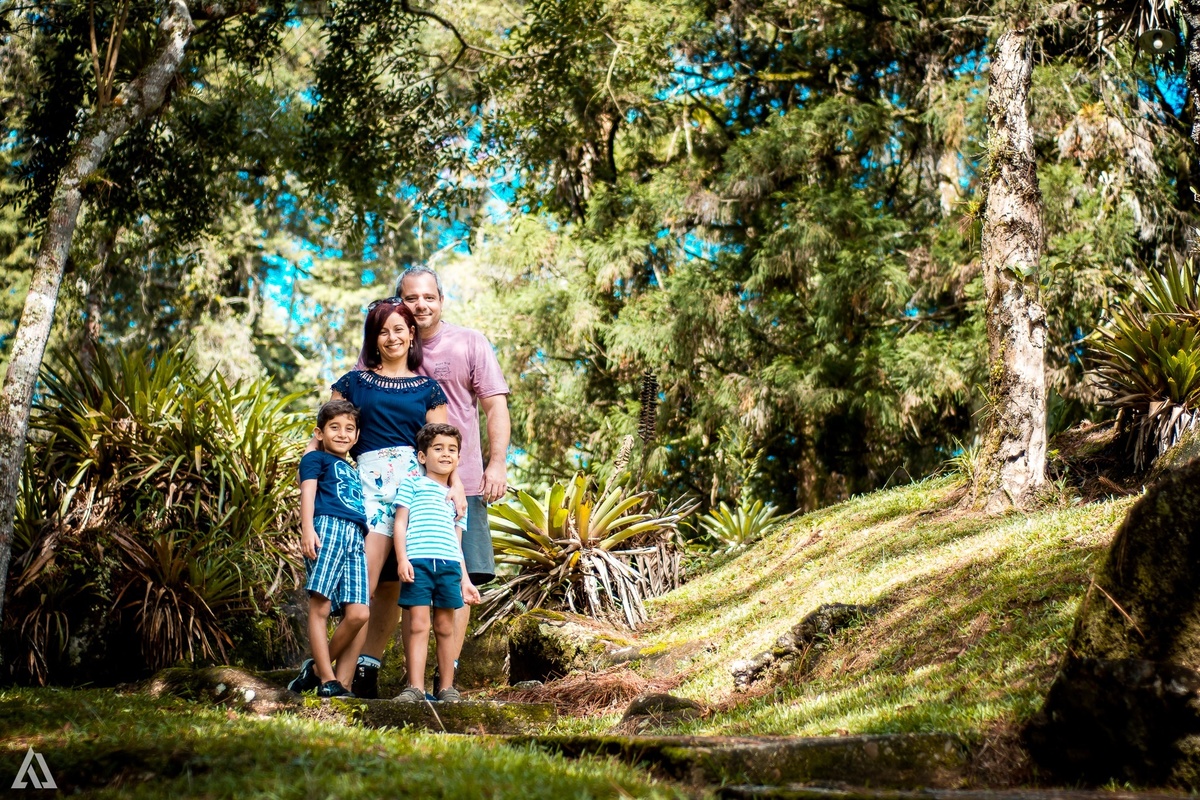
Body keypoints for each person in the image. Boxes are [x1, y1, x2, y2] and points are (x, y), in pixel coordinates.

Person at [353, 267, 510, 698]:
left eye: (429, 297)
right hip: (392, 492)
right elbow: (349, 408)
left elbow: (495, 406)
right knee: (390, 579)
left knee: (457, 582)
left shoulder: (469, 343)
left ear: (441, 300)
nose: (421, 305)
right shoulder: (384, 343)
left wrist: (496, 465)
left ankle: (445, 679)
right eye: (412, 298)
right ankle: (369, 667)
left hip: (462, 484)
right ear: (399, 301)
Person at [317, 300, 462, 695]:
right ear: (373, 339)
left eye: (399, 329)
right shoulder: (352, 383)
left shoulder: (429, 388)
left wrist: (457, 487)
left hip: (412, 493)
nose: (392, 337)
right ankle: (332, 677)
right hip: (366, 490)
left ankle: (350, 678)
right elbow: (329, 437)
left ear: (411, 334)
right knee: (360, 588)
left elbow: (442, 444)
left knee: (397, 583)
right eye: (383, 331)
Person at [391, 423, 482, 703]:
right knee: (418, 625)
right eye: (438, 448)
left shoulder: (459, 499)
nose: (446, 454)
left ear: (458, 457)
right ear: (422, 456)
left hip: (448, 568)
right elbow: (400, 523)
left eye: (452, 450)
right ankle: (415, 687)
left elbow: (458, 543)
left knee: (445, 627)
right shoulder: (412, 485)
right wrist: (402, 559)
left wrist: (465, 580)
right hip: (417, 564)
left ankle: (446, 688)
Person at [289, 399, 370, 698]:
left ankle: (313, 670)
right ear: (319, 432)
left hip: (355, 535)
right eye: (334, 427)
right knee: (320, 606)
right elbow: (307, 493)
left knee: (360, 613)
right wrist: (307, 528)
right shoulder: (314, 459)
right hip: (327, 528)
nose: (342, 433)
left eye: (349, 428)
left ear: (357, 436)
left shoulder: (351, 467)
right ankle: (326, 679)